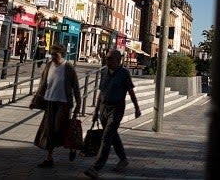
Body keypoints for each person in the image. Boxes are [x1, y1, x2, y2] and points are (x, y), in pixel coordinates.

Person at [84, 49, 141, 179]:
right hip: (104, 107)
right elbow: (101, 92)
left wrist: (137, 108)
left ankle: (96, 168)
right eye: (107, 58)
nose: (107, 61)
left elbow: (131, 92)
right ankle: (123, 159)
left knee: (106, 137)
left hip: (117, 108)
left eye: (110, 59)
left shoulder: (124, 73)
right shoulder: (104, 72)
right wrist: (96, 111)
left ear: (118, 61)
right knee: (113, 135)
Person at [30, 44, 81, 168]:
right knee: (49, 130)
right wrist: (35, 100)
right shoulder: (49, 66)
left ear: (62, 54)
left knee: (60, 129)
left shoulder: (68, 67)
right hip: (50, 102)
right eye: (52, 54)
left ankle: (72, 147)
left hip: (63, 103)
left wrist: (78, 105)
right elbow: (42, 84)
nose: (53, 57)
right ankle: (49, 158)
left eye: (55, 54)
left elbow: (76, 87)